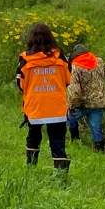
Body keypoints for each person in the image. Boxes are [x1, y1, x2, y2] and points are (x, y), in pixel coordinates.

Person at [16, 23, 71, 171]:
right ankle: (61, 175)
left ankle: (31, 168)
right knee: (58, 142)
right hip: (57, 107)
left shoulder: (25, 59)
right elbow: (68, 80)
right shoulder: (60, 57)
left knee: (33, 137)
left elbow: (20, 84)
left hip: (35, 107)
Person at [66, 43, 105, 151]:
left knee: (71, 118)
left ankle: (75, 141)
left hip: (83, 103)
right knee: (96, 127)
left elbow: (75, 90)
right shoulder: (99, 61)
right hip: (99, 101)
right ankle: (99, 149)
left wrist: (73, 105)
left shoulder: (76, 66)